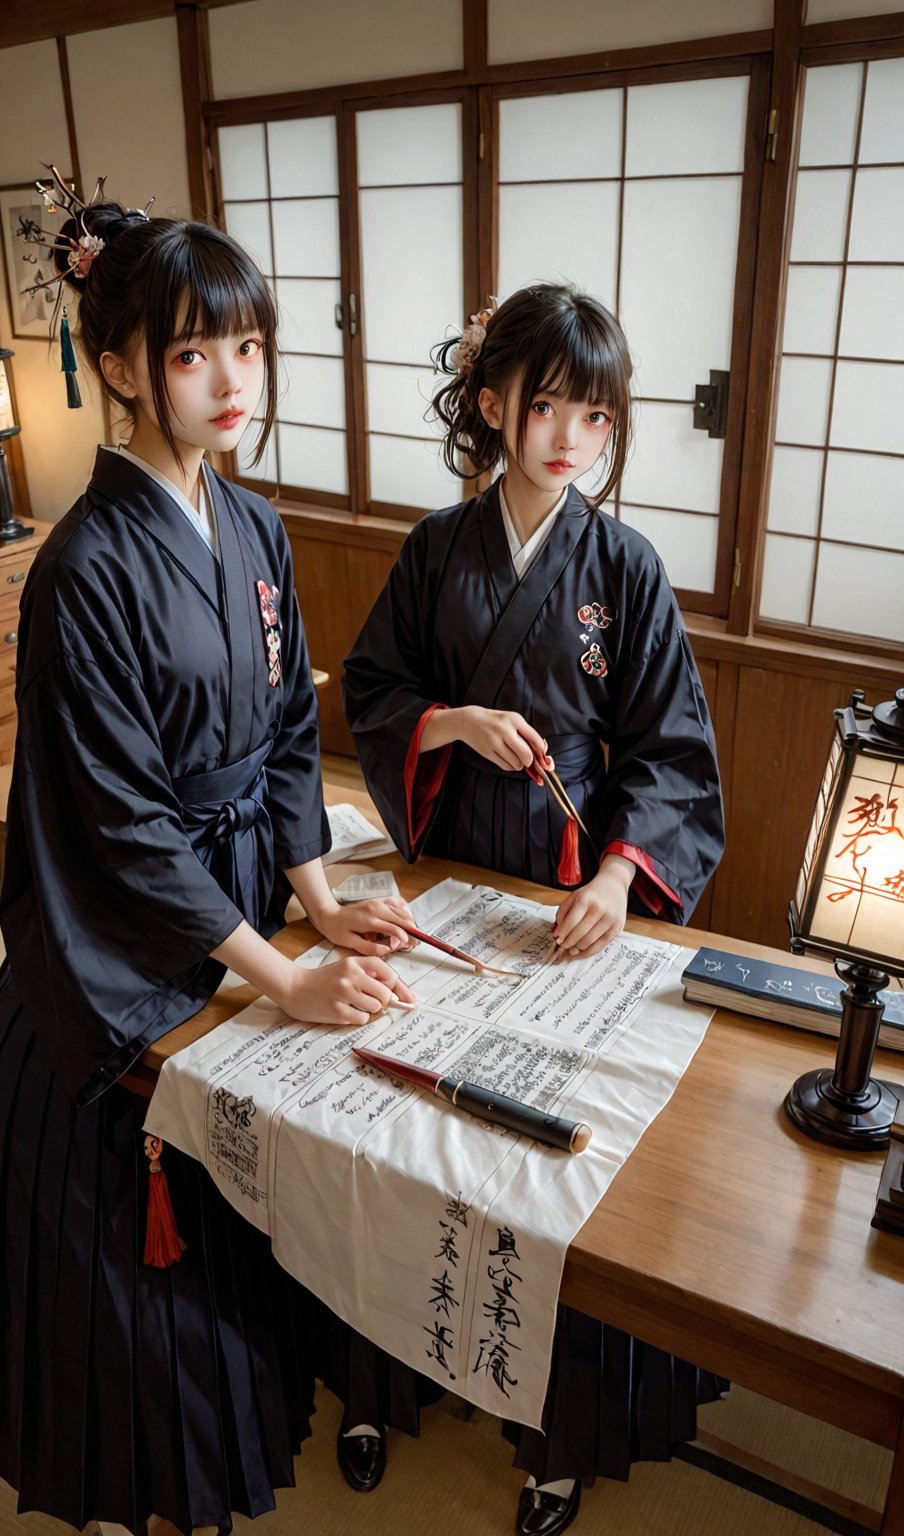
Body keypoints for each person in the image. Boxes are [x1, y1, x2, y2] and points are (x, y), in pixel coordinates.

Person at [0, 180, 417, 1536]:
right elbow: (119, 819)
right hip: (121, 942)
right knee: (123, 1281)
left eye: (248, 345)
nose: (232, 379)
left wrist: (319, 905)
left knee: (236, 1249)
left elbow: (287, 735)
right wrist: (276, 977)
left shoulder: (257, 527)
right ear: (119, 367)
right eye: (191, 350)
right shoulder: (84, 565)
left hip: (240, 908)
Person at [341, 284, 727, 1535]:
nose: (568, 437)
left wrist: (619, 880)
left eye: (595, 416)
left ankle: (554, 1437)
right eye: (546, 405)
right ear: (497, 404)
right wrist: (449, 722)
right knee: (401, 1137)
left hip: (566, 910)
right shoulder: (433, 550)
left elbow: (672, 754)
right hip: (452, 893)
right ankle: (374, 1375)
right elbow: (374, 689)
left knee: (553, 1176)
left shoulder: (622, 567)